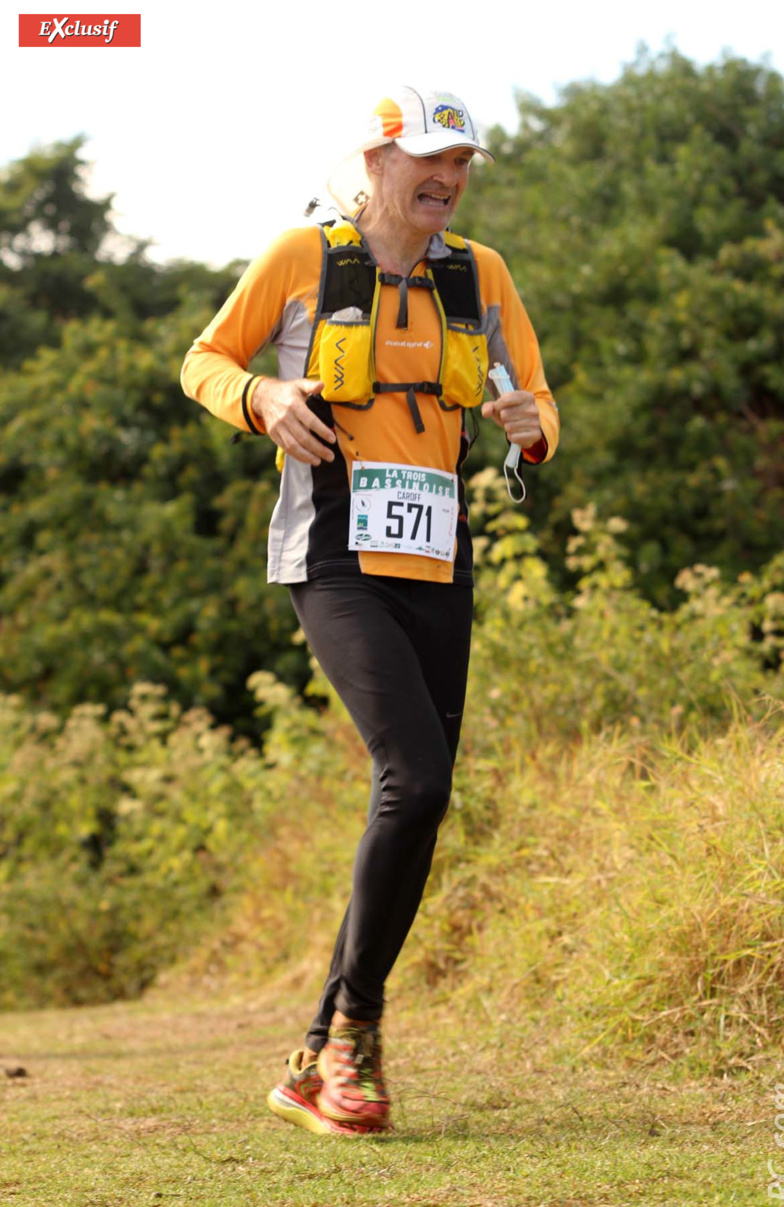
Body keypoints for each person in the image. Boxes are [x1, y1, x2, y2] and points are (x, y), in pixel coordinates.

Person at [180, 85, 559, 1138]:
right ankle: (356, 1033)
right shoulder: (305, 255)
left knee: (420, 799)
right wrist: (263, 399)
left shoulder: (482, 274)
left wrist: (535, 426)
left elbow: (538, 399)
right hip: (334, 553)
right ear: (378, 159)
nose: (448, 176)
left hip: (439, 557)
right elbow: (202, 358)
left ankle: (314, 1054)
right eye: (429, 157)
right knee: (416, 775)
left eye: (463, 161)